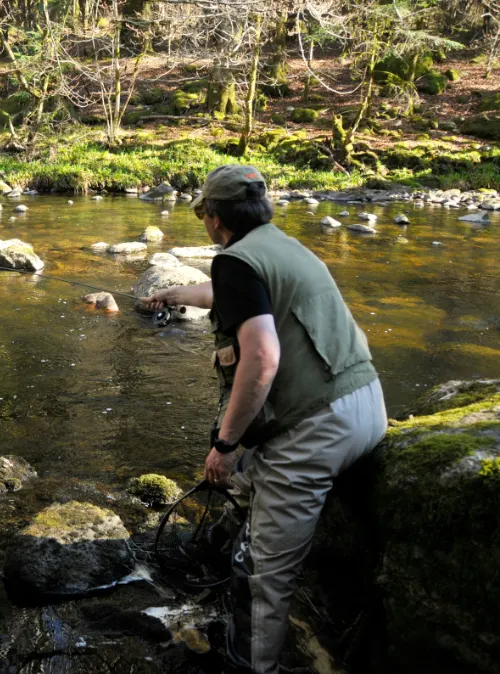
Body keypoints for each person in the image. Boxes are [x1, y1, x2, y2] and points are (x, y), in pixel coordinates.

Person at [141, 165, 388, 674]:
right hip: (367, 407)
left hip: (315, 430)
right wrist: (176, 294)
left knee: (260, 577)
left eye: (202, 214)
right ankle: (214, 552)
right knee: (249, 489)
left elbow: (262, 357)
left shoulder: (235, 261)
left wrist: (225, 445)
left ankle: (248, 664)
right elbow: (242, 301)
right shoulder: (283, 245)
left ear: (213, 218)